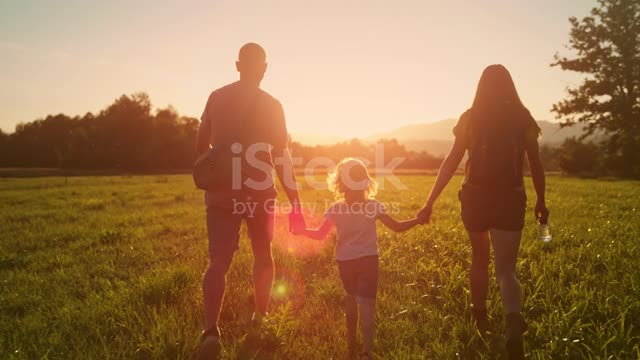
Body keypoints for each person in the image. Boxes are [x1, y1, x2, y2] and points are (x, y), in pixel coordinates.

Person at [417, 65, 549, 359]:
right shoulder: (522, 117)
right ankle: (513, 326)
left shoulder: (470, 118)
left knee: (479, 258)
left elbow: (451, 161)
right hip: (510, 198)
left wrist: (429, 202)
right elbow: (536, 165)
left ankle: (480, 317)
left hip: (475, 197)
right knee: (506, 270)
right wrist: (541, 200)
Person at [195, 43, 305, 359]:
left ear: (237, 65)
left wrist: (208, 165)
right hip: (259, 193)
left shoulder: (216, 97)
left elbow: (203, 142)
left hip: (221, 191)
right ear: (265, 68)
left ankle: (210, 332)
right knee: (263, 255)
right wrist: (295, 202)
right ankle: (260, 316)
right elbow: (281, 156)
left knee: (217, 262)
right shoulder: (273, 105)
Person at [293, 158, 423, 360]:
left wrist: (302, 231)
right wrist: (418, 220)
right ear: (365, 182)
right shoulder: (373, 206)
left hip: (345, 262)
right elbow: (397, 227)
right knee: (367, 305)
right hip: (368, 261)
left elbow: (319, 234)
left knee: (351, 300)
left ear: (341, 184)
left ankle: (351, 343)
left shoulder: (336, 208)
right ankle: (367, 353)